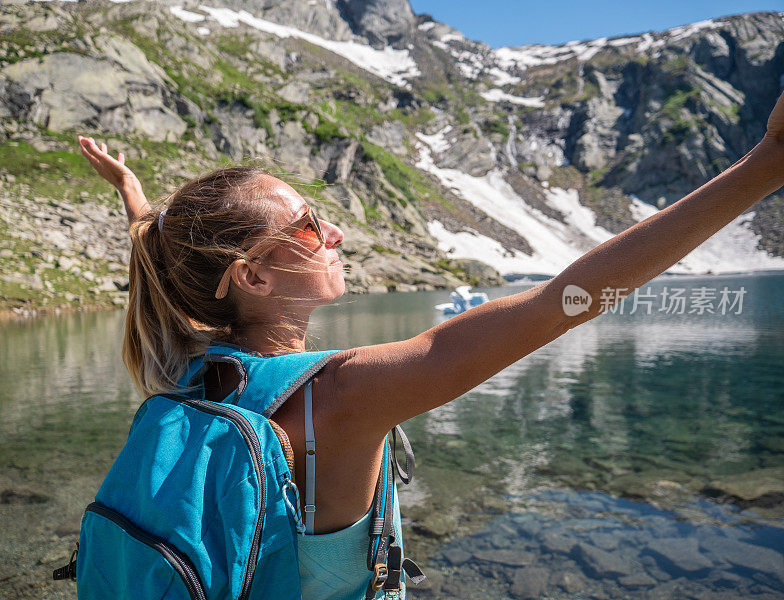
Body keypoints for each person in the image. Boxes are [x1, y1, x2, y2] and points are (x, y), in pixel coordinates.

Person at [75, 88, 784, 598]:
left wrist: (139, 204)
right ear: (252, 275)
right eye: (310, 228)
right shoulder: (342, 395)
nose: (336, 236)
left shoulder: (191, 364)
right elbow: (559, 301)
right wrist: (764, 165)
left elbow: (162, 256)